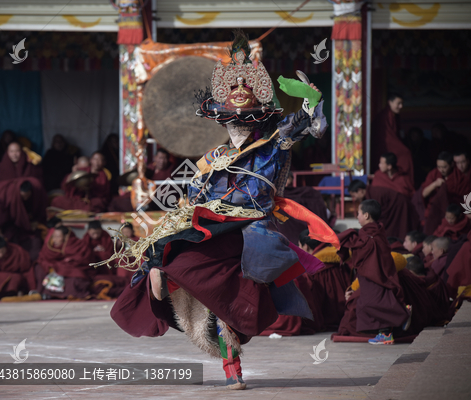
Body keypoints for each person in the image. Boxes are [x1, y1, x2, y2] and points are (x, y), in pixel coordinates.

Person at [108, 32, 336, 390]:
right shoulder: (213, 157)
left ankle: (177, 284)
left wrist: (311, 101)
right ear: (223, 120)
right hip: (212, 226)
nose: (237, 124)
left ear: (256, 118)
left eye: (243, 118)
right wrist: (153, 216)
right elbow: (181, 194)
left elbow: (310, 126)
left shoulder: (272, 144)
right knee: (167, 260)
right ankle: (164, 284)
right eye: (231, 119)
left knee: (218, 295)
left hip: (249, 230)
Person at [337, 199, 411, 345]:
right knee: (372, 303)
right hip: (375, 274)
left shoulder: (370, 235)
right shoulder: (376, 231)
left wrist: (349, 240)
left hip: (374, 274)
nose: (356, 216)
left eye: (358, 213)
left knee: (369, 304)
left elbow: (363, 248)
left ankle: (402, 312)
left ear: (366, 215)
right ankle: (385, 334)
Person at [0, 178, 47, 261]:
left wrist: (36, 222)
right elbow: (4, 215)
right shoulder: (11, 194)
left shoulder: (37, 190)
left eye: (27, 195)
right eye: (23, 196)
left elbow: (41, 209)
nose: (26, 198)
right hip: (13, 224)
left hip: (31, 224)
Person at [416, 151, 471, 235]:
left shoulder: (460, 178)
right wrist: (434, 184)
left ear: (452, 164)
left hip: (452, 216)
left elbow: (466, 198)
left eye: (444, 167)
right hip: (433, 213)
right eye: (439, 167)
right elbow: (424, 194)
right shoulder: (434, 174)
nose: (441, 170)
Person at [348, 179, 418, 239]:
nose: (355, 198)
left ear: (360, 191)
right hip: (394, 208)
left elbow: (378, 215)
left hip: (401, 206)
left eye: (354, 195)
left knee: (400, 228)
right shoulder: (369, 195)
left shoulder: (375, 194)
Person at [371, 93, 414, 189]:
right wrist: (403, 149)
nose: (401, 106)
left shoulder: (394, 115)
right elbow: (388, 138)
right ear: (389, 102)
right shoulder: (384, 116)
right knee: (406, 154)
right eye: (398, 103)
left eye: (402, 104)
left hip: (391, 143)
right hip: (383, 146)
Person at [276, 172, 332, 245]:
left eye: (286, 178)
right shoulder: (276, 196)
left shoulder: (306, 192)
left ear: (291, 179)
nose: (286, 182)